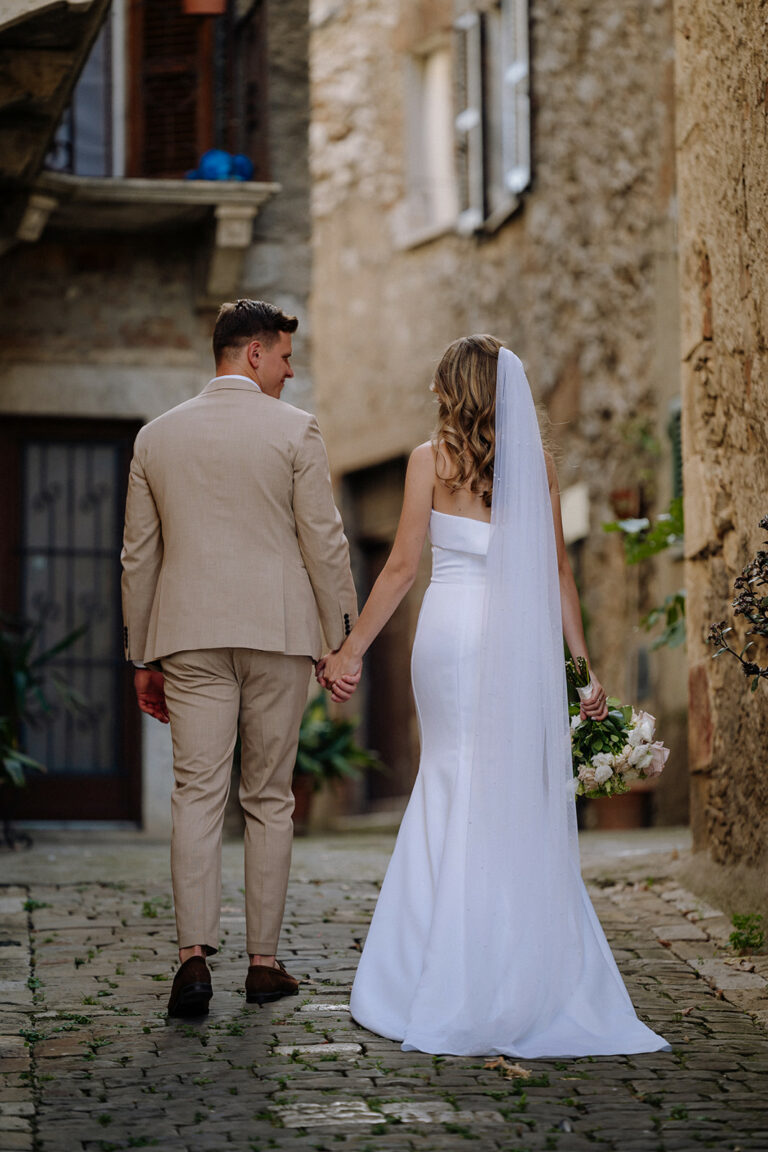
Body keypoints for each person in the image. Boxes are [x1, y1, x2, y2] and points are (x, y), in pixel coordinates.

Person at [318, 335, 668, 1057]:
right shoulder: (533, 464)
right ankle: (517, 965)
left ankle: (432, 967)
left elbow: (402, 567)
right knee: (503, 786)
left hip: (449, 636)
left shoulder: (428, 460)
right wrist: (582, 667)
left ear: (452, 389)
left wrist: (350, 650)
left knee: (448, 774)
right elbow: (559, 576)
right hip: (513, 639)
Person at [121, 299, 358, 1018]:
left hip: (187, 636)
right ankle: (262, 963)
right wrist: (339, 638)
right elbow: (324, 541)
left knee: (196, 794)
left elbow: (138, 558)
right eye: (284, 357)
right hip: (278, 633)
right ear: (252, 353)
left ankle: (193, 961)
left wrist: (142, 654)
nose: (291, 372)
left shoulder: (156, 439)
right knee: (268, 798)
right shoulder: (296, 431)